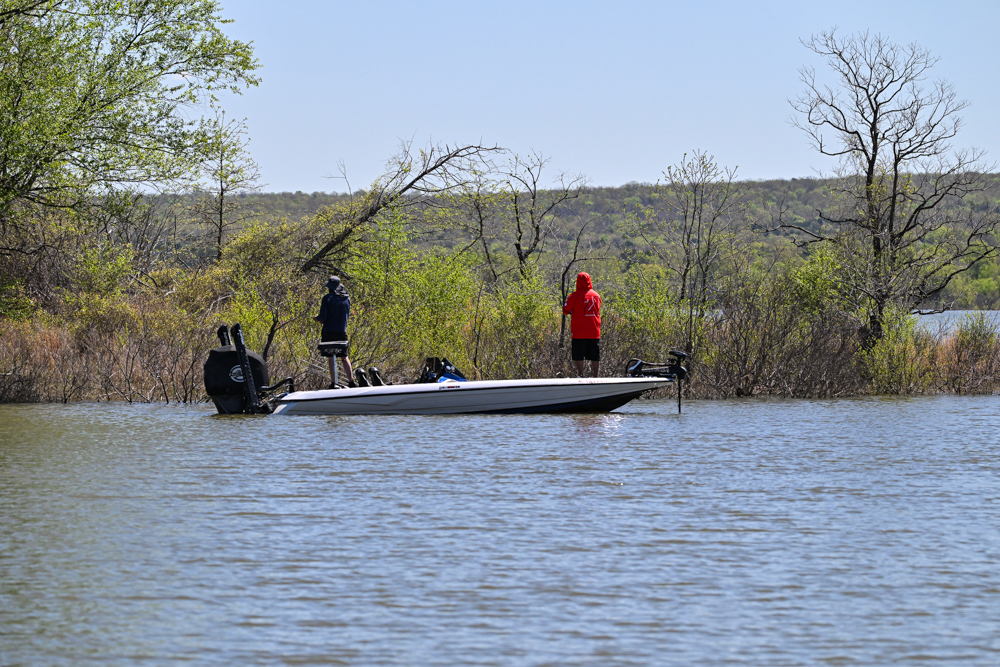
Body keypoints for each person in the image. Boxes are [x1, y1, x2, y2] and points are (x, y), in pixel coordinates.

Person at [314, 275, 355, 388]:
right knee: (344, 356)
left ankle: (334, 383)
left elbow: (323, 317)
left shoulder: (327, 298)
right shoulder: (346, 299)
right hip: (342, 331)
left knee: (331, 356)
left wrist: (317, 319)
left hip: (329, 331)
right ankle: (351, 381)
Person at [562, 271, 602, 377]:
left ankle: (580, 374)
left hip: (579, 330)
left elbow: (565, 310)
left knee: (578, 354)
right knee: (595, 355)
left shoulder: (575, 295)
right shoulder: (596, 295)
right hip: (594, 330)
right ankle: (596, 376)